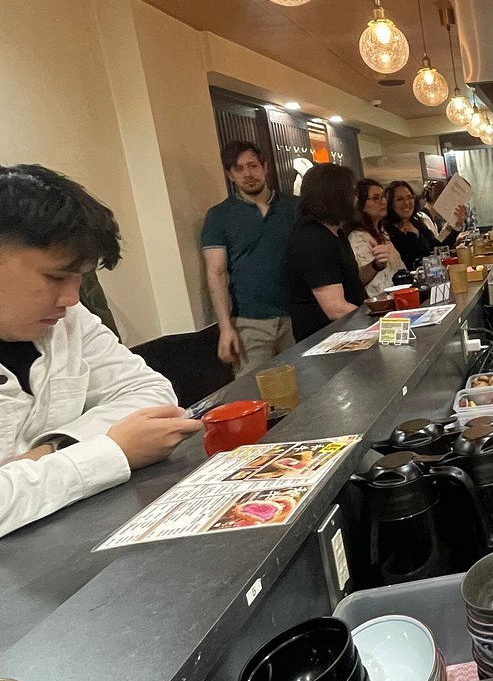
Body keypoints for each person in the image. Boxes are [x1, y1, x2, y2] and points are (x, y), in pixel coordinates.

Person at [0, 165, 197, 538]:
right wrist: (111, 452)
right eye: (56, 277)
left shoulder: (70, 319)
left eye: (81, 278)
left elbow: (152, 394)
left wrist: (51, 450)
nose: (72, 299)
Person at [202, 141, 299, 376]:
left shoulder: (294, 207)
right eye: (239, 168)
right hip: (249, 324)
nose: (248, 174)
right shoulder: (219, 216)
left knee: (306, 387)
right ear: (230, 175)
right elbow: (216, 273)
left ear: (265, 167)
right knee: (254, 397)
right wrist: (225, 328)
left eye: (253, 165)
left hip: (297, 317)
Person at [283, 164, 368, 341]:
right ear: (336, 196)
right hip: (325, 341)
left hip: (347, 333)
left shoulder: (336, 232)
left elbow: (348, 282)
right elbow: (335, 308)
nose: (356, 199)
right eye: (352, 193)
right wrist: (381, 321)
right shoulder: (313, 238)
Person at [348, 179, 405, 297]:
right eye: (375, 198)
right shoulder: (358, 237)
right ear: (360, 203)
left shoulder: (382, 233)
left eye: (384, 196)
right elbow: (372, 286)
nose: (383, 201)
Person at [383, 180, 440, 271]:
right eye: (400, 199)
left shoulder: (417, 223)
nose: (407, 203)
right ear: (390, 203)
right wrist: (414, 236)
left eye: (410, 198)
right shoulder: (387, 231)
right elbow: (408, 261)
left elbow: (438, 249)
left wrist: (454, 228)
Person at [417, 180, 468, 247]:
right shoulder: (424, 219)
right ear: (441, 197)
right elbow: (436, 248)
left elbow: (439, 242)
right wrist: (454, 227)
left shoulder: (432, 220)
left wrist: (451, 228)